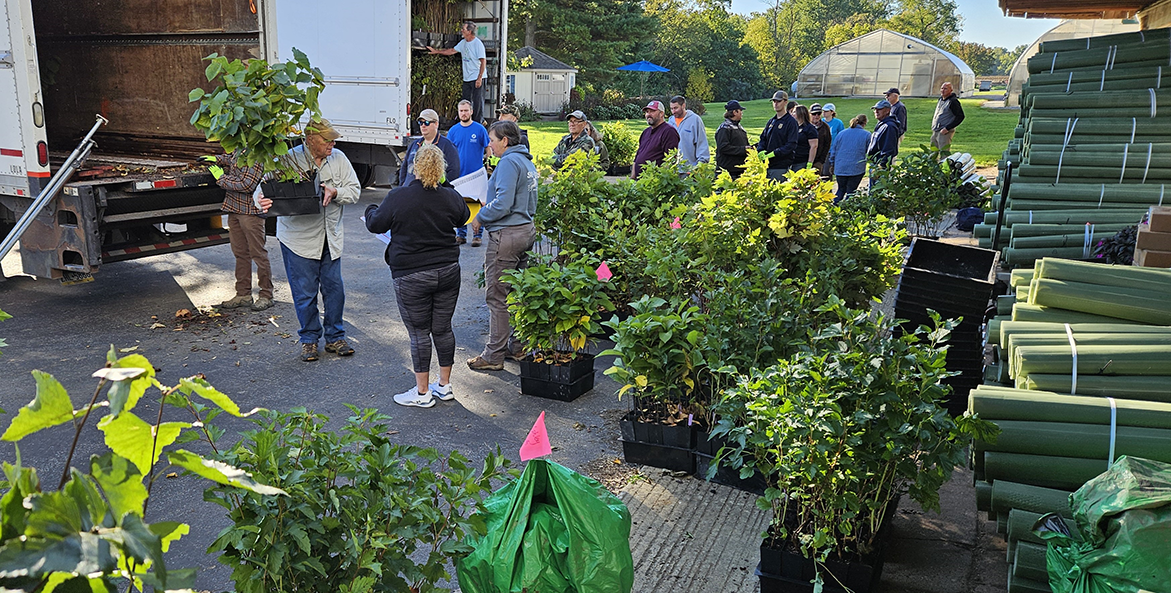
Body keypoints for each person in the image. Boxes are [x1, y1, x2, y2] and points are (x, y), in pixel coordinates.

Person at [364, 144, 470, 408]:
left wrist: (370, 210)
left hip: (411, 274)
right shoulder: (449, 196)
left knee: (419, 333)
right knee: (443, 329)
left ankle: (422, 393)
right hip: (447, 270)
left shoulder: (399, 196)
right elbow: (464, 216)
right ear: (442, 169)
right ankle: (444, 386)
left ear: (414, 167)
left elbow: (375, 224)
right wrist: (447, 186)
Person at [277, 118, 362, 362]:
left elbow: (355, 191)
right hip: (298, 240)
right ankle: (309, 340)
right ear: (311, 139)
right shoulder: (288, 159)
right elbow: (262, 191)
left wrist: (336, 192)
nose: (332, 143)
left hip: (330, 237)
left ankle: (335, 337)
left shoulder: (339, 159)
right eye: (327, 139)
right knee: (304, 293)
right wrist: (261, 200)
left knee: (335, 289)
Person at [467, 121, 538, 371]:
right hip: (525, 230)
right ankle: (517, 346)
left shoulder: (508, 162)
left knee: (497, 296)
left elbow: (503, 203)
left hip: (507, 235)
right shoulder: (526, 161)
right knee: (515, 293)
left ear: (505, 141)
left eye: (492, 139)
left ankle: (493, 355)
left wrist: (480, 217)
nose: (489, 144)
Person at [209, 151, 273, 312]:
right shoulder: (240, 147)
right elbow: (232, 158)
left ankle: (266, 295)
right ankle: (243, 294)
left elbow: (247, 185)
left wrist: (221, 178)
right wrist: (217, 159)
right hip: (234, 208)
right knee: (240, 253)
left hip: (250, 212)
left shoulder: (256, 153)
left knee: (258, 254)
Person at [447, 99, 490, 246]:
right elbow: (449, 152)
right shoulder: (453, 131)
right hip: (459, 176)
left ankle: (477, 235)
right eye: (461, 111)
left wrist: (487, 162)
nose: (464, 113)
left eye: (466, 110)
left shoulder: (479, 129)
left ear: (471, 111)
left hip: (476, 176)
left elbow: (488, 148)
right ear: (458, 112)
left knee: (478, 206)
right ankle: (461, 235)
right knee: (460, 206)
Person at [428, 22, 486, 123]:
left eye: (463, 29)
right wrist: (436, 51)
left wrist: (479, 78)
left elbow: (483, 61)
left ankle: (478, 122)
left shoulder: (478, 44)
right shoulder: (463, 42)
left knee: (477, 102)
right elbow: (452, 51)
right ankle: (467, 121)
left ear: (469, 31)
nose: (461, 31)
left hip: (477, 77)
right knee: (465, 101)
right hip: (467, 78)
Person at [399, 108, 460, 187]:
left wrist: (442, 189)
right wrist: (402, 186)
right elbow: (404, 167)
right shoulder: (414, 144)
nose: (423, 125)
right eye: (421, 123)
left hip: (431, 193)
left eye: (427, 122)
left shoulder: (447, 146)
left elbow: (454, 171)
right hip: (409, 191)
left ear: (436, 124)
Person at [826, 114, 870, 204]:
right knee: (851, 192)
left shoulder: (841, 134)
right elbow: (870, 151)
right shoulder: (867, 135)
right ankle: (846, 209)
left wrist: (832, 163)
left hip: (840, 167)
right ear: (864, 123)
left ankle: (835, 206)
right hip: (856, 168)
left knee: (841, 189)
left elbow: (834, 150)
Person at [631, 100, 680, 179]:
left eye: (652, 111)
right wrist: (632, 177)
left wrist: (658, 182)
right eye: (647, 112)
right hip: (640, 183)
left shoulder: (668, 131)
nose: (648, 114)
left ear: (661, 113)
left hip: (654, 184)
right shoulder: (645, 132)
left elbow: (670, 160)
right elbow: (637, 156)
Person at [757, 90, 798, 179]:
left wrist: (775, 153)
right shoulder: (772, 121)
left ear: (785, 102)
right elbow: (763, 138)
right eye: (774, 101)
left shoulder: (791, 122)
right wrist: (760, 150)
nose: (776, 104)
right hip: (767, 165)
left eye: (779, 101)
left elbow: (791, 144)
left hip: (781, 165)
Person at [666, 95, 710, 167]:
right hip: (673, 170)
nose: (673, 111)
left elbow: (701, 142)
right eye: (671, 109)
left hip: (689, 169)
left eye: (676, 108)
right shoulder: (670, 122)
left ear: (683, 105)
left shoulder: (695, 120)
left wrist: (700, 164)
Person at [715, 99, 749, 179]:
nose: (742, 113)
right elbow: (723, 147)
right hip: (728, 172)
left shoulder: (741, 129)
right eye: (740, 111)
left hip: (740, 171)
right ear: (735, 112)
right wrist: (743, 150)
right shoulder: (724, 128)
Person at [868, 100, 900, 180]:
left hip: (880, 168)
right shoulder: (882, 124)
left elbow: (888, 149)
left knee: (876, 191)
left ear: (887, 110)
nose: (876, 111)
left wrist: (881, 167)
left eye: (879, 109)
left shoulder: (889, 126)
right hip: (875, 164)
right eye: (875, 109)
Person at [931, 81, 966, 152]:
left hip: (944, 131)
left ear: (951, 90)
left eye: (945, 89)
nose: (943, 90)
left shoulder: (953, 102)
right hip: (936, 130)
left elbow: (960, 116)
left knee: (944, 152)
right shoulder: (941, 99)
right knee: (933, 152)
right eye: (942, 88)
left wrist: (947, 128)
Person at [791, 105, 818, 172]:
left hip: (802, 161)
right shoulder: (794, 127)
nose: (792, 114)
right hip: (792, 160)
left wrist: (810, 162)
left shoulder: (809, 128)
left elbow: (814, 146)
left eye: (794, 112)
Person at [809, 103, 832, 178]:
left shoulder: (825, 127)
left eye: (818, 114)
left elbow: (827, 144)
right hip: (804, 160)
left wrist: (821, 160)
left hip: (818, 160)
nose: (816, 116)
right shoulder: (805, 126)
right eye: (814, 114)